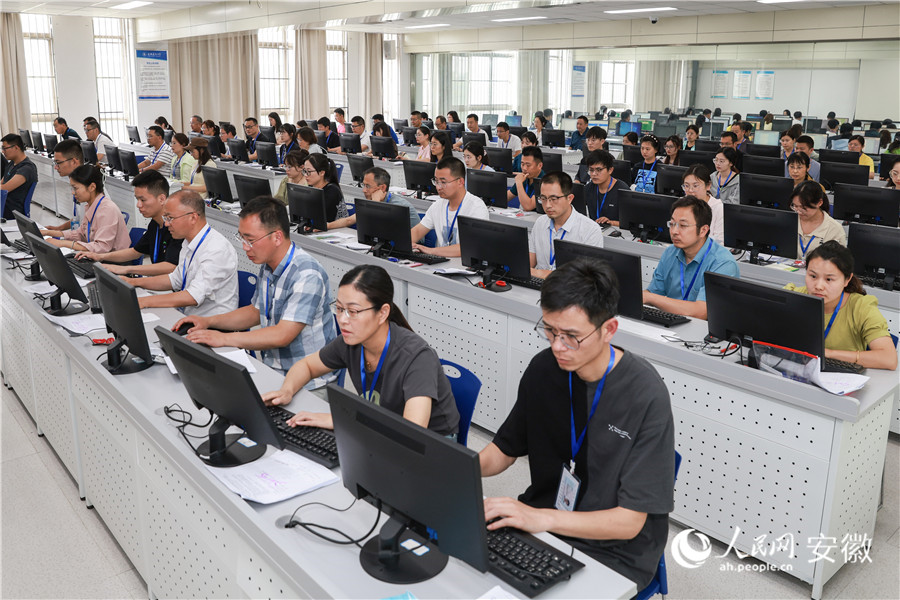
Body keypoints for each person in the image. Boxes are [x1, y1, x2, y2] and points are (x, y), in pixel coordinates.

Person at [480, 258, 675, 590]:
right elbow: (503, 450)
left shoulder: (645, 394)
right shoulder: (544, 368)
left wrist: (540, 518)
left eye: (571, 336)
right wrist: (454, 468)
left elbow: (628, 523)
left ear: (608, 330)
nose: (557, 346)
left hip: (614, 550)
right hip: (543, 524)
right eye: (550, 331)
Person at [263, 264, 460, 437]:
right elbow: (307, 366)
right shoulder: (351, 341)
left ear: (382, 313)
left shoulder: (416, 357)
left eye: (353, 311)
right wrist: (286, 391)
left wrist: (341, 420)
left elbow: (411, 433)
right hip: (380, 430)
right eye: (339, 309)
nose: (343, 319)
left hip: (431, 446)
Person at [174, 196, 340, 379]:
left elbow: (282, 335)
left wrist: (223, 338)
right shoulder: (269, 265)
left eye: (250, 240)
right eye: (242, 238)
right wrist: (208, 321)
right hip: (274, 369)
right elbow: (255, 312)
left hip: (309, 381)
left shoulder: (307, 274)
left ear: (277, 237)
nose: (245, 247)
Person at [785, 242, 897, 371]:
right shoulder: (793, 296)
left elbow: (889, 359)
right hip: (796, 371)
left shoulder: (861, 307)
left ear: (847, 279)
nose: (818, 286)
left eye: (829, 279)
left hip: (841, 380)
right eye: (813, 276)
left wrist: (829, 354)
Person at [124, 190, 238, 315]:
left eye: (170, 218)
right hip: (188, 316)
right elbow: (175, 279)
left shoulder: (216, 249)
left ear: (193, 217)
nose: (166, 224)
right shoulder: (188, 242)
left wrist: (144, 301)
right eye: (165, 218)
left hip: (212, 327)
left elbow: (192, 296)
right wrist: (133, 282)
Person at [643, 196, 740, 320]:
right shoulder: (670, 253)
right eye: (672, 224)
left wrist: (650, 297)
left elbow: (702, 312)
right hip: (674, 326)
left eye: (682, 226)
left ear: (703, 230)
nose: (674, 231)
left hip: (708, 332)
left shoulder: (723, 263)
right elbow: (653, 292)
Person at [73, 170, 182, 276]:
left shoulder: (176, 227)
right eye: (137, 199)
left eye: (142, 200)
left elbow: (171, 266)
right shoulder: (155, 224)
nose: (138, 205)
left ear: (162, 199)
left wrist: (127, 269)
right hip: (158, 282)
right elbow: (135, 252)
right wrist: (99, 256)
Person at [39, 165, 130, 253]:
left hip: (114, 262)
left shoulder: (107, 210)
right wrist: (50, 233)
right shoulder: (91, 205)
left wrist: (63, 243)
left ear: (92, 187)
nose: (73, 192)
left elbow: (101, 247)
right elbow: (81, 233)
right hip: (99, 256)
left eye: (75, 188)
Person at [410, 156, 489, 257]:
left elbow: (470, 247)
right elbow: (417, 231)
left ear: (460, 182)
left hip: (464, 266)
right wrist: (403, 242)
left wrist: (430, 251)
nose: (438, 187)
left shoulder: (476, 208)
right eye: (436, 181)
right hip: (439, 264)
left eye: (443, 182)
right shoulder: (438, 205)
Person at [529, 172, 603, 279]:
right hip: (539, 287)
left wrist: (542, 274)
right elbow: (529, 264)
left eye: (554, 199)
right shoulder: (540, 222)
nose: (548, 205)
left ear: (570, 198)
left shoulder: (590, 229)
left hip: (571, 291)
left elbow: (588, 278)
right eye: (543, 199)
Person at [329, 167, 420, 230]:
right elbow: (349, 220)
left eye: (368, 186)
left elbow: (381, 230)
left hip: (413, 245)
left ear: (382, 188)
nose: (364, 190)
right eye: (364, 185)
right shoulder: (371, 201)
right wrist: (327, 226)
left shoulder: (399, 206)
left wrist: (376, 204)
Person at [792, 180, 846, 259]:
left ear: (819, 203)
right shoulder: (790, 220)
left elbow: (839, 264)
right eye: (795, 206)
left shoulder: (835, 229)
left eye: (804, 208)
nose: (799, 211)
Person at [43, 139, 84, 232]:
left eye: (58, 163)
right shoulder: (76, 182)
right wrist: (58, 229)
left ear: (74, 162)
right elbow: (78, 218)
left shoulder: (87, 188)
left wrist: (62, 239)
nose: (56, 167)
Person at [583, 150, 628, 227]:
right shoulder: (588, 188)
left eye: (599, 170)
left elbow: (630, 224)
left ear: (610, 170)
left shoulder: (623, 191)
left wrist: (611, 222)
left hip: (615, 233)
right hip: (593, 232)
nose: (594, 174)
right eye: (591, 170)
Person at [303, 153, 348, 229]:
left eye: (309, 172)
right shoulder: (312, 188)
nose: (305, 175)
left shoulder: (332, 191)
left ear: (322, 173)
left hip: (335, 231)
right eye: (304, 171)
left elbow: (320, 216)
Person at [681, 164, 723, 245]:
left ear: (708, 186)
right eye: (686, 186)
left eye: (695, 186)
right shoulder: (681, 205)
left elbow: (720, 241)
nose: (690, 190)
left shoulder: (718, 208)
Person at [1, 134, 38, 220]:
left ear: (16, 148)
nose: (3, 151)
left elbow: (4, 189)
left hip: (11, 211)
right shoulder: (11, 164)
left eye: (5, 148)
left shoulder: (27, 168)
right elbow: (2, 183)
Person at [508, 146, 545, 211]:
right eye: (522, 164)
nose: (524, 168)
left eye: (528, 165)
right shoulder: (525, 177)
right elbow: (507, 196)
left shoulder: (544, 182)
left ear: (540, 165)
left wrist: (519, 183)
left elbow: (528, 206)